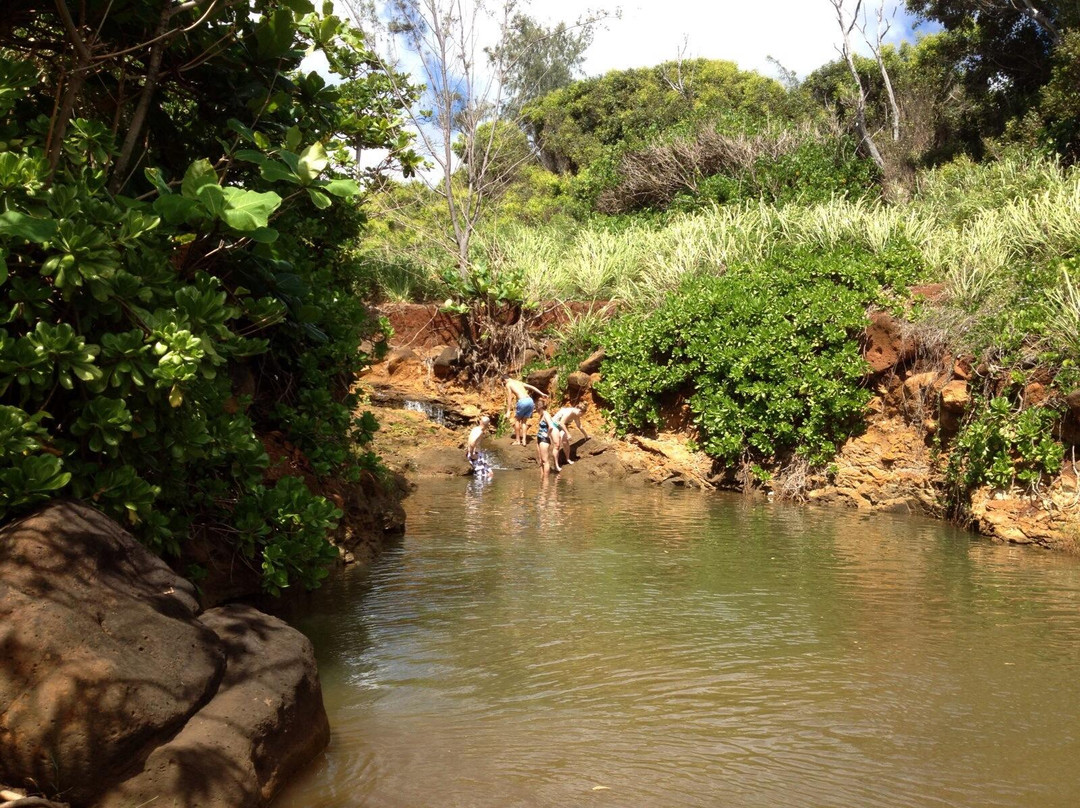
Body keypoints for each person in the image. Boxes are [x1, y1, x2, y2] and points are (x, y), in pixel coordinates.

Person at [504, 377, 547, 446]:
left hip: (522, 401)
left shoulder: (508, 384)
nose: (504, 383)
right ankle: (524, 440)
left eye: (504, 382)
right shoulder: (518, 382)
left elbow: (509, 397)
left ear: (505, 380)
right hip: (530, 401)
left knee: (517, 420)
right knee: (524, 421)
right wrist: (541, 393)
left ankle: (518, 440)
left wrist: (508, 411)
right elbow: (532, 387)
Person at [535, 407, 560, 474]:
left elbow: (551, 426)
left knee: (545, 461)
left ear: (539, 408)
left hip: (544, 439)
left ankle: (546, 481)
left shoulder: (546, 414)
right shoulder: (542, 414)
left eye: (536, 408)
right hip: (539, 438)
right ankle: (542, 478)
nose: (535, 410)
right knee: (540, 460)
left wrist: (547, 434)